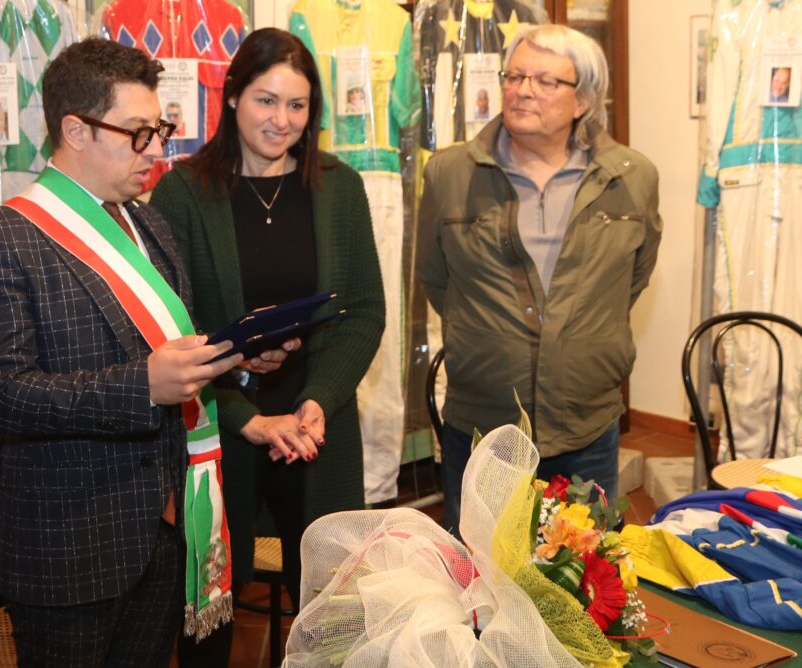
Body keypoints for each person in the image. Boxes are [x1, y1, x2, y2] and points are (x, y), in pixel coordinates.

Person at [0, 38, 295, 666]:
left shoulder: (149, 226)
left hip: (163, 534)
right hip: (70, 547)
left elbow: (171, 350)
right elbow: (5, 396)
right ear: (76, 130)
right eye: (140, 133)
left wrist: (231, 360)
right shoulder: (0, 238)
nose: (158, 149)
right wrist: (141, 386)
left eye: (159, 129)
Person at [151, 26, 385, 663]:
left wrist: (317, 402)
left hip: (316, 427)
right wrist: (248, 411)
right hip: (222, 426)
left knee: (329, 609)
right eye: (265, 100)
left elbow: (362, 313)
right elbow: (170, 328)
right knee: (212, 611)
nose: (281, 120)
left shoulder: (339, 189)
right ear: (231, 98)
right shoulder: (182, 194)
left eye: (297, 105)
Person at [417, 24, 662, 537]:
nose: (524, 90)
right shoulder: (449, 174)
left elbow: (629, 283)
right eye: (516, 75)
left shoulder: (631, 178)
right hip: (485, 424)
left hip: (587, 424)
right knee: (480, 586)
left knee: (584, 585)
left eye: (546, 81)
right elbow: (437, 282)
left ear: (584, 101)